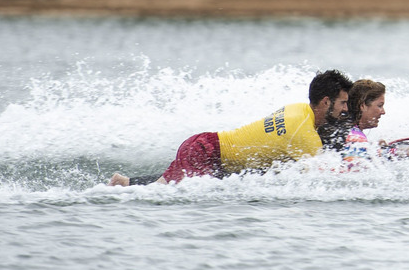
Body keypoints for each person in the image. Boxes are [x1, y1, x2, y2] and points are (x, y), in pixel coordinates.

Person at [108, 69, 355, 186]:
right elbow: (330, 176)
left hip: (207, 149)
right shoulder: (304, 134)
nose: (345, 109)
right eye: (343, 103)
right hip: (206, 153)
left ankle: (122, 183)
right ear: (325, 102)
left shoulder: (299, 109)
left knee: (161, 187)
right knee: (160, 196)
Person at [339, 79, 387, 169]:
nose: (383, 112)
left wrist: (378, 150)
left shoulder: (345, 128)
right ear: (363, 106)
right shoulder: (355, 137)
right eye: (380, 106)